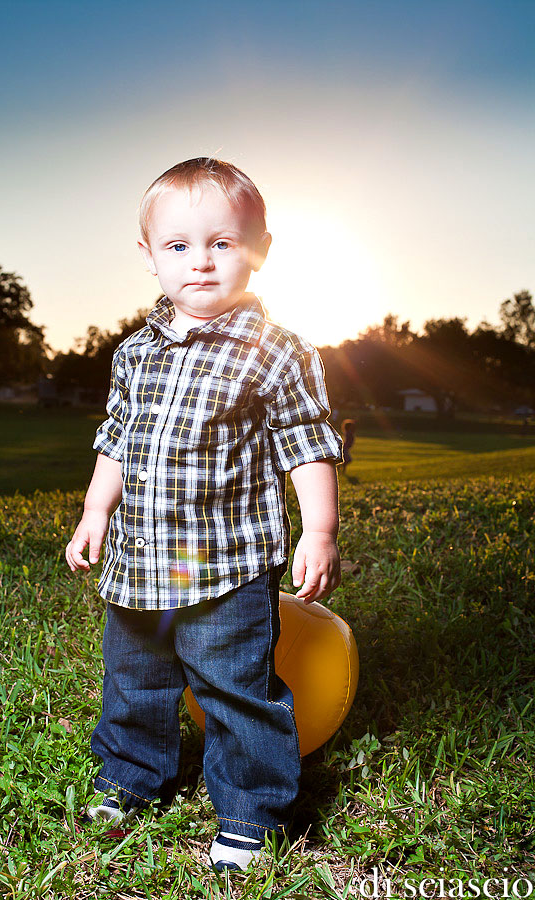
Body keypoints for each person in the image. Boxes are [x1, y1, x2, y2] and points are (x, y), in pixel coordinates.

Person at [65, 158, 343, 872]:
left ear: (261, 249)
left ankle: (251, 810)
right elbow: (118, 438)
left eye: (224, 242)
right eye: (180, 246)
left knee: (235, 686)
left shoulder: (277, 350)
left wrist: (320, 529)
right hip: (141, 561)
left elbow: (307, 442)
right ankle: (131, 777)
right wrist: (96, 510)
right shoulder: (134, 353)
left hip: (227, 563)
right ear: (150, 256)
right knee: (134, 679)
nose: (203, 261)